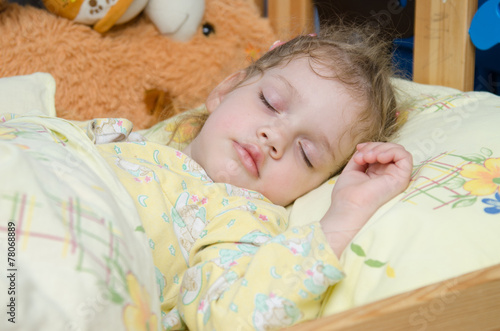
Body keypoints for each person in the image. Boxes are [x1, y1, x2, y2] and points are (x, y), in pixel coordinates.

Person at [96, 23, 412, 331]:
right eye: (270, 103)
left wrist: (346, 212)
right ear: (226, 89)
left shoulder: (238, 217)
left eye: (305, 153)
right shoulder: (141, 140)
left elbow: (236, 317)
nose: (274, 136)